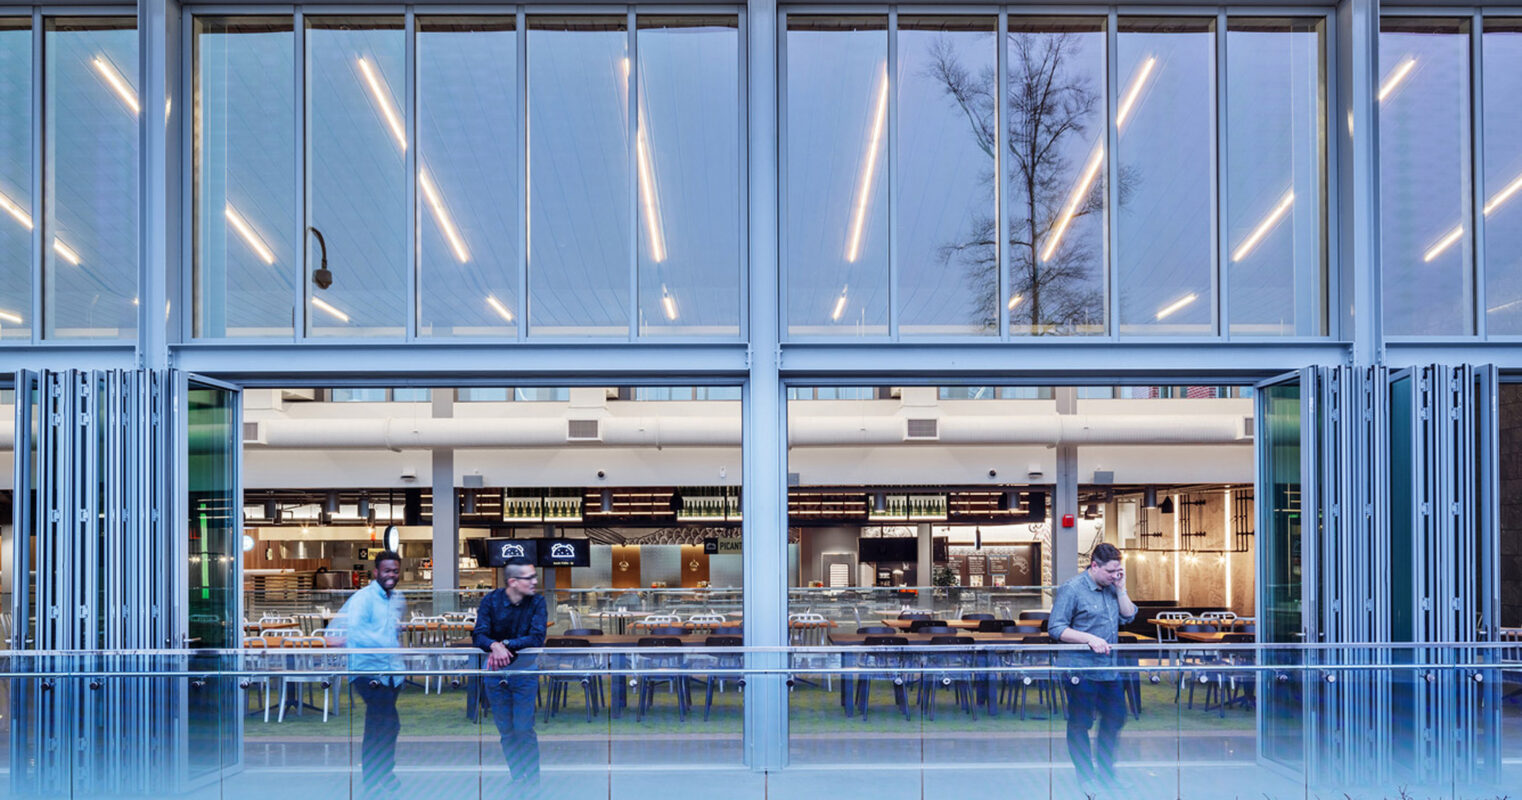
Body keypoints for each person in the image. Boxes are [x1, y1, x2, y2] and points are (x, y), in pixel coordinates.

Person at [1048, 542, 1137, 789]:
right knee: (1080, 723)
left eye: (1118, 571)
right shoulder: (1073, 589)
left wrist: (1121, 589)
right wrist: (1089, 638)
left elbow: (1128, 615)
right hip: (1080, 670)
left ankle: (1107, 774)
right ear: (1094, 566)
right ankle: (1086, 777)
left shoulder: (1113, 587)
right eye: (1110, 571)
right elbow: (1056, 628)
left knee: (1116, 718)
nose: (1115, 576)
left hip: (1108, 669)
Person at [331, 550, 407, 800]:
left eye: (395, 571)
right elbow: (356, 632)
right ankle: (374, 779)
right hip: (367, 672)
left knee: (387, 725)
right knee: (381, 725)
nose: (391, 575)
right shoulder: (363, 598)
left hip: (391, 673)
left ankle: (382, 774)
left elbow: (391, 630)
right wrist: (389, 645)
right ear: (376, 573)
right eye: (387, 570)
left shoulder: (397, 599)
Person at [472, 556, 547, 798]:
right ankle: (518, 777)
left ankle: (533, 780)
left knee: (524, 727)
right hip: (495, 674)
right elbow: (479, 635)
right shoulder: (491, 601)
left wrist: (504, 644)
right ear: (513, 581)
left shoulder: (538, 603)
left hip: (525, 672)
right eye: (530, 578)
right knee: (506, 730)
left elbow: (537, 637)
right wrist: (494, 645)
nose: (535, 582)